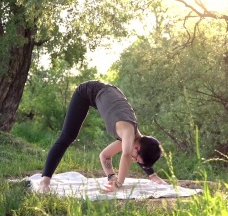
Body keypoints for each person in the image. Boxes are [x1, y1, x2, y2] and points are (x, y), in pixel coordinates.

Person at [37, 80, 166, 193]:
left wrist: (151, 176)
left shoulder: (133, 138)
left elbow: (105, 156)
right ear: (137, 148)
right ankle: (45, 181)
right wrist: (118, 184)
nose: (133, 161)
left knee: (133, 154)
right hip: (88, 91)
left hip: (108, 93)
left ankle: (148, 174)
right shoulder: (127, 131)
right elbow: (127, 154)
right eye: (136, 159)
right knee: (67, 136)